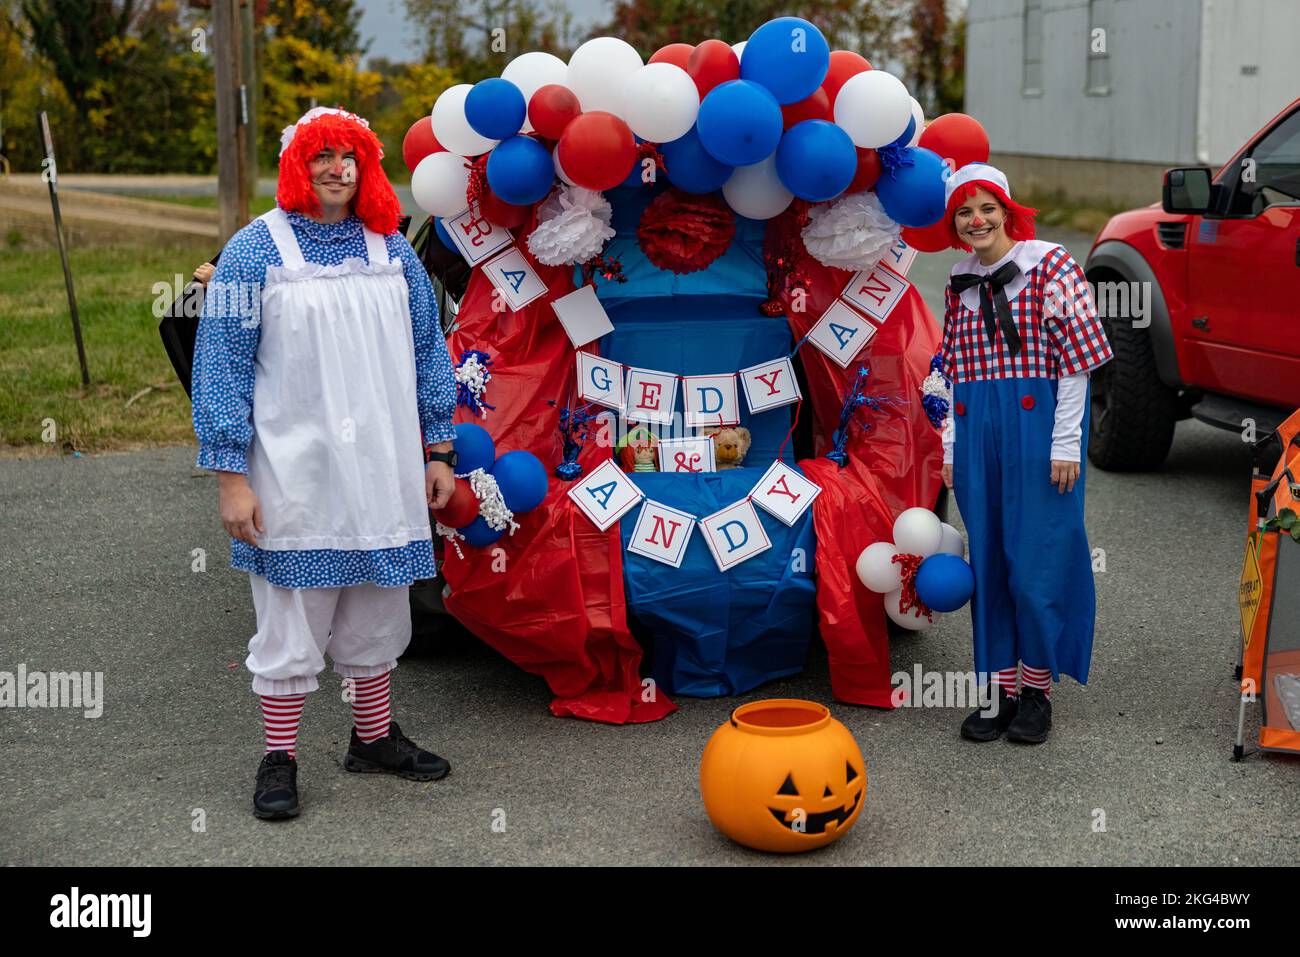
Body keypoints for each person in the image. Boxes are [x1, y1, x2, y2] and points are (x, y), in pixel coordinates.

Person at [191, 106, 459, 819]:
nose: (337, 169)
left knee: (376, 612)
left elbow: (430, 350)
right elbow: (220, 364)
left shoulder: (391, 250)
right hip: (294, 471)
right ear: (296, 164)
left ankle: (372, 737)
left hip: (381, 469)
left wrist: (438, 448)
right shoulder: (256, 250)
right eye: (322, 155)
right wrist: (230, 476)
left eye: (350, 156)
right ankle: (279, 757)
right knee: (291, 621)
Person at [937, 163, 1113, 745]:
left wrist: (1065, 441)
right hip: (976, 426)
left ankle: (1037, 689)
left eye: (987, 208)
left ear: (1008, 212)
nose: (976, 220)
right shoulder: (958, 278)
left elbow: (1078, 362)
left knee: (1035, 556)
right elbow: (950, 371)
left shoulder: (1052, 263)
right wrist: (951, 445)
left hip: (1038, 426)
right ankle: (1000, 687)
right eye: (965, 211)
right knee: (987, 558)